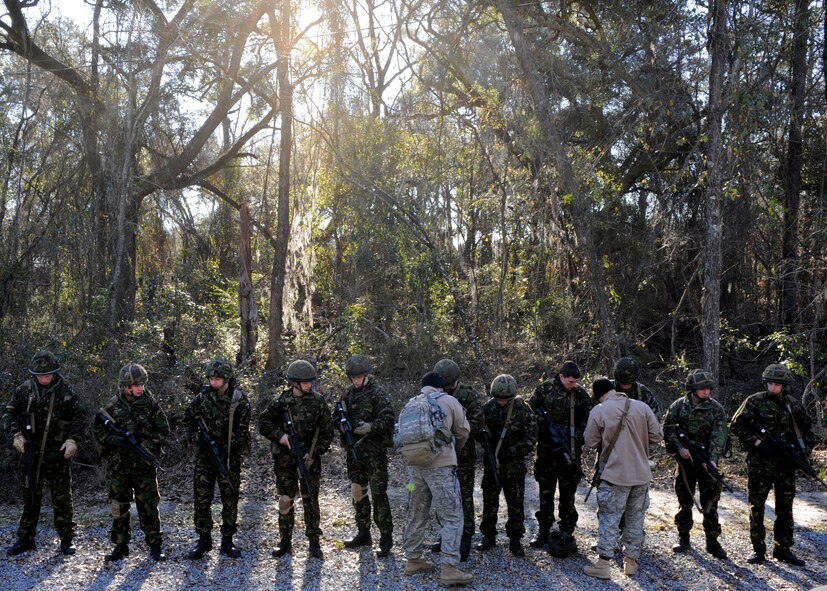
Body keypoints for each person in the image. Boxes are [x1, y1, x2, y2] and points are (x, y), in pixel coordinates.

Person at [3, 351, 86, 556]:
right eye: (40, 376)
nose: (44, 379)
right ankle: (25, 539)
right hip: (31, 451)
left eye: (48, 375)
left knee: (62, 498)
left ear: (55, 373)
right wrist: (15, 434)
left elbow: (80, 417)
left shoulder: (66, 391)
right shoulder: (25, 390)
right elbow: (9, 412)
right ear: (33, 375)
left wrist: (73, 440)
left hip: (58, 452)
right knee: (30, 495)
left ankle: (66, 539)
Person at [730, 363, 814, 566]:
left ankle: (783, 549)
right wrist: (758, 443)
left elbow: (808, 432)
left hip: (785, 465)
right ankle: (758, 549)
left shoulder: (793, 405)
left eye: (778, 384)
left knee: (785, 509)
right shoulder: (754, 402)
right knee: (756, 507)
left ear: (784, 385)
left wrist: (800, 452)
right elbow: (736, 425)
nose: (773, 387)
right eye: (770, 383)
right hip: (760, 464)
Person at [583, 377, 663, 579]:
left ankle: (603, 565)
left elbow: (590, 442)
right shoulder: (642, 407)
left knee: (610, 518)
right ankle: (631, 563)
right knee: (636, 519)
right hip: (641, 475)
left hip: (614, 475)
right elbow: (657, 436)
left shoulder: (599, 410)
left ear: (598, 395)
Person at [403, 371, 473, 586]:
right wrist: (454, 452)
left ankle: (413, 560)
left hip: (414, 469)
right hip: (441, 468)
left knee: (416, 512)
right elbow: (462, 432)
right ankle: (449, 568)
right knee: (452, 516)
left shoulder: (411, 403)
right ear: (441, 387)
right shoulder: (449, 401)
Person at [94, 363, 169, 562]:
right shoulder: (112, 406)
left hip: (143, 466)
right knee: (119, 507)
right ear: (125, 386)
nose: (140, 388)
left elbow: (163, 431)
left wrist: (147, 446)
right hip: (120, 467)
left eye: (142, 384)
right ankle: (120, 546)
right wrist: (114, 440)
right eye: (135, 384)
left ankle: (155, 545)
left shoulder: (151, 404)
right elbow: (99, 431)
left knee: (149, 506)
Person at [259, 359, 333, 560]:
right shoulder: (280, 402)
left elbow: (328, 431)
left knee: (311, 499)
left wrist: (314, 451)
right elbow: (263, 423)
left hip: (309, 460)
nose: (309, 385)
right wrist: (280, 436)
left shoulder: (318, 401)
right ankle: (285, 541)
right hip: (285, 461)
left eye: (311, 382)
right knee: (285, 500)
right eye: (305, 382)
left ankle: (314, 542)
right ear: (295, 383)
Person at [184, 359, 251, 559]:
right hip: (205, 458)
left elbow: (243, 429)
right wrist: (198, 438)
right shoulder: (202, 398)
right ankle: (204, 539)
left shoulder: (238, 399)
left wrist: (227, 446)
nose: (214, 382)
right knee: (202, 498)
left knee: (230, 498)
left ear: (226, 379)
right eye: (211, 379)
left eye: (217, 379)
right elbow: (187, 420)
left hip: (228, 458)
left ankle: (227, 541)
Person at [662, 369, 728, 559]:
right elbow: (668, 429)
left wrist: (713, 459)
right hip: (685, 463)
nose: (706, 391)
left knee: (710, 502)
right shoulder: (678, 406)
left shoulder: (716, 408)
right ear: (693, 389)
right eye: (702, 388)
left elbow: (720, 434)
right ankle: (683, 536)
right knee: (684, 501)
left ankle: (712, 540)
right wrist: (679, 448)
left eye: (708, 388)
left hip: (707, 461)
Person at [527, 361, 592, 554]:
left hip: (569, 454)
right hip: (547, 454)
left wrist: (574, 439)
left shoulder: (580, 395)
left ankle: (566, 532)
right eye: (570, 381)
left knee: (568, 497)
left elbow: (588, 423)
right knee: (545, 495)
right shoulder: (544, 389)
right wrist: (544, 428)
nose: (573, 385)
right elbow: (530, 413)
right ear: (561, 376)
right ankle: (544, 532)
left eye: (575, 382)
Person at [334, 354, 395, 557]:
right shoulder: (348, 394)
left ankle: (386, 537)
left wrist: (371, 427)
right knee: (358, 492)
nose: (356, 380)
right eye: (353, 377)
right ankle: (363, 532)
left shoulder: (377, 393)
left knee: (379, 495)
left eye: (359, 377)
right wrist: (342, 426)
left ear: (366, 375)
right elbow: (337, 416)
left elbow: (389, 419)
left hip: (375, 453)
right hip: (354, 453)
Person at [477, 374, 537, 556]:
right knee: (489, 502)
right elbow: (477, 429)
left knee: (516, 504)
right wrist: (483, 439)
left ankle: (515, 539)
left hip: (514, 467)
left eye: (506, 400)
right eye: (499, 399)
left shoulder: (523, 410)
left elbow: (532, 438)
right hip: (492, 465)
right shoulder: (487, 408)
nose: (502, 402)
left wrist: (512, 451)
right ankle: (488, 536)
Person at [431, 358, 485, 561]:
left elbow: (478, 422)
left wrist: (458, 428)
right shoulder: (434, 394)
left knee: (464, 497)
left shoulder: (467, 395)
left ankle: (466, 537)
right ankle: (446, 535)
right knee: (443, 496)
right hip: (440, 455)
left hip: (463, 455)